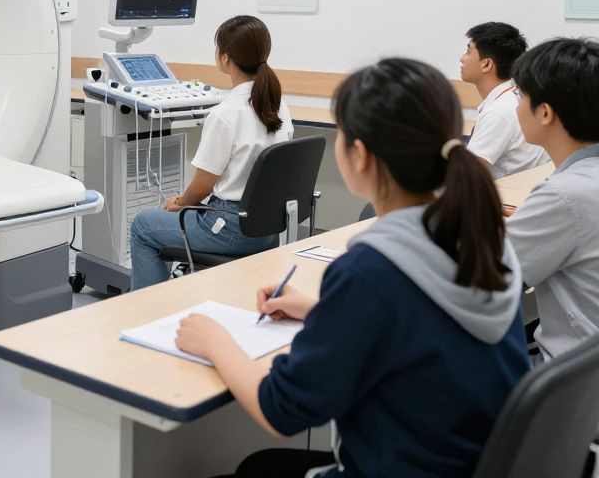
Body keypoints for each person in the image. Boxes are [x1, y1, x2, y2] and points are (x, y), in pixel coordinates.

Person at [175, 58, 529, 477]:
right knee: (262, 465)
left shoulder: (373, 268)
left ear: (359, 155)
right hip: (462, 461)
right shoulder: (481, 233)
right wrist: (322, 310)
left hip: (401, 466)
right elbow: (422, 323)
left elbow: (281, 409)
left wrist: (215, 341)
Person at [128, 15, 293, 290]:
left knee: (143, 226)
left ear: (225, 58)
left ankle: (147, 310)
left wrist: (180, 202)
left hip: (229, 227)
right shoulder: (279, 105)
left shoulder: (225, 114)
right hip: (266, 228)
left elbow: (203, 185)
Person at [505, 38, 599, 363]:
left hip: (571, 392)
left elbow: (485, 278)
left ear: (545, 112)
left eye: (519, 96)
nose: (516, 107)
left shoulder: (566, 195)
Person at [460, 21, 548, 177]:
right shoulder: (517, 95)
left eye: (468, 52)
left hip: (503, 195)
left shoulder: (498, 112)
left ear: (486, 64)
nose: (462, 58)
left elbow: (467, 176)